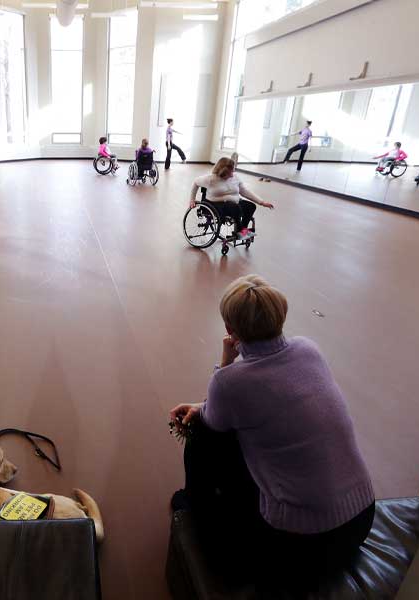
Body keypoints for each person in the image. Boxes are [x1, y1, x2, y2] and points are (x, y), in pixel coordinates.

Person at [168, 275, 375, 585]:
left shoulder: (230, 382)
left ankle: (193, 504)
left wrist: (225, 364)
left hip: (306, 540)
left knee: (200, 436)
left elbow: (213, 421)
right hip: (360, 518)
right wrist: (208, 402)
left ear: (229, 330)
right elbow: (268, 398)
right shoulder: (309, 349)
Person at [189, 156, 273, 238]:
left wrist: (262, 202)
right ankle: (240, 231)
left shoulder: (235, 177)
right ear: (222, 172)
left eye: (233, 171)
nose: (232, 175)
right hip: (215, 204)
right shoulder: (210, 179)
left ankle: (242, 229)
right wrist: (192, 200)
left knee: (250, 206)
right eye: (230, 173)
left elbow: (244, 191)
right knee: (235, 207)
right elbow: (196, 183)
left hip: (233, 203)